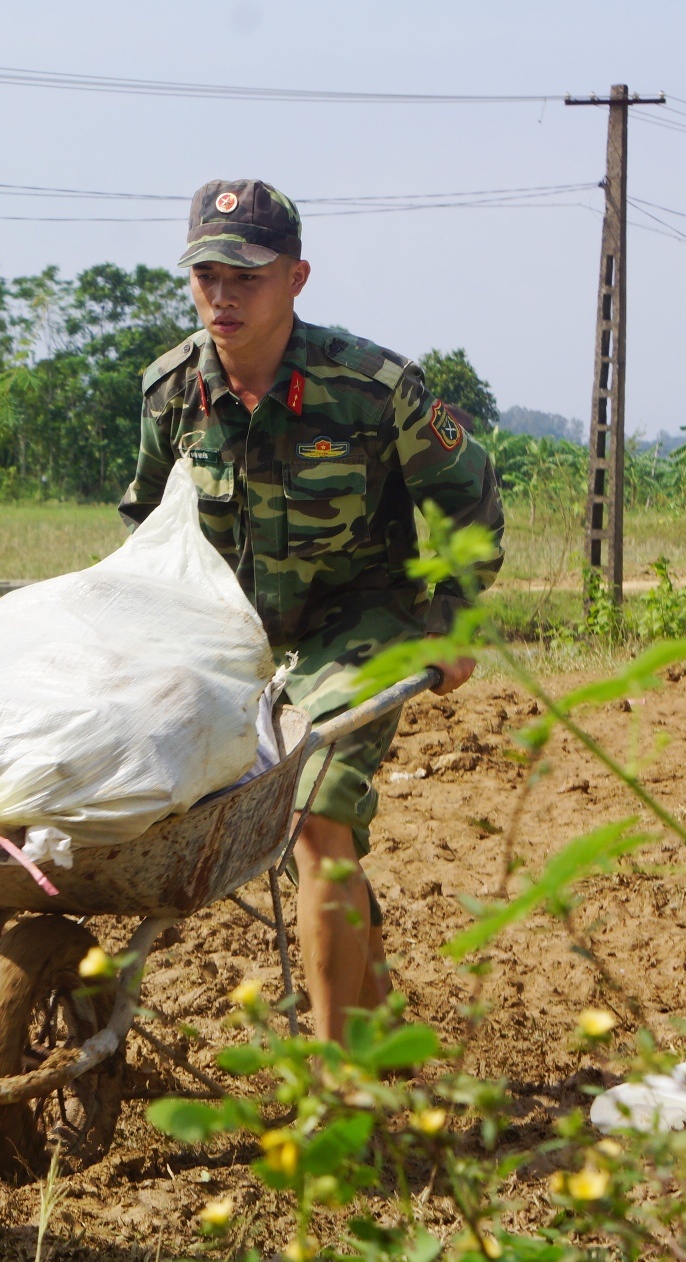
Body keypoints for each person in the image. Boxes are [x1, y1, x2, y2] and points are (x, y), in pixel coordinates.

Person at [119, 179, 504, 1043]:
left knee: (315, 812)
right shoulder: (170, 394)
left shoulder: (371, 388)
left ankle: (337, 1087)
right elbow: (149, 524)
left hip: (359, 619)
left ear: (297, 277)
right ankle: (373, 1015)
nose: (222, 294)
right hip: (230, 637)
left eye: (246, 275)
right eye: (207, 273)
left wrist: (451, 624)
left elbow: (470, 498)